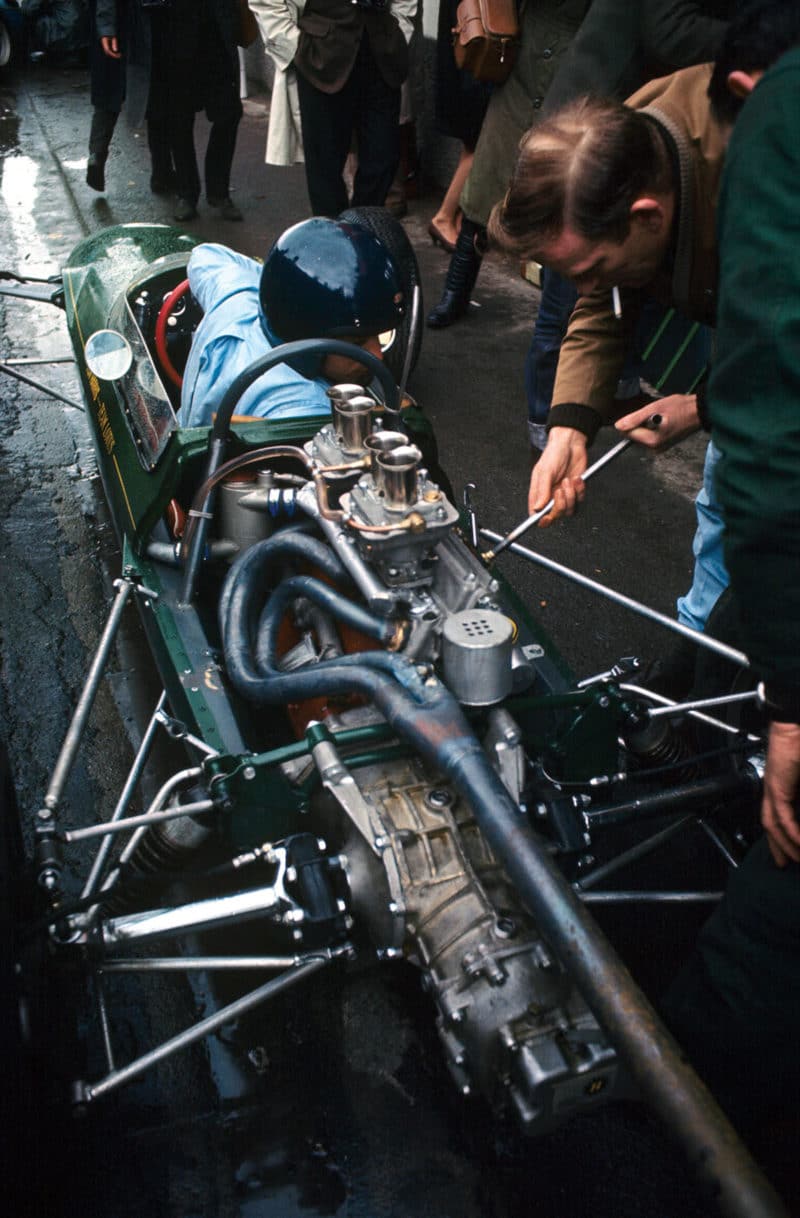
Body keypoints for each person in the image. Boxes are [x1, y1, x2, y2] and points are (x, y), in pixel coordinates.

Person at [426, 0, 591, 329]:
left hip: (575, 69)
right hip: (520, 62)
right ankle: (455, 293)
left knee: (561, 197)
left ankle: (560, 315)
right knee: (484, 184)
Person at [180, 217, 404, 428]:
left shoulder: (235, 301)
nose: (378, 355)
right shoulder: (304, 409)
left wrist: (284, 288)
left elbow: (206, 255)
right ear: (304, 336)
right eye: (358, 342)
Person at [97, 0, 244, 223]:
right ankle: (187, 193)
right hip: (167, 26)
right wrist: (107, 25)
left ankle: (219, 192)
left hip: (214, 23)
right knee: (177, 115)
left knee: (229, 111)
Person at [278, 0, 417, 218]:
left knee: (383, 157)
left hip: (381, 51)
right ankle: (334, 241)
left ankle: (361, 232)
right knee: (325, 167)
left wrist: (400, 29)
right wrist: (293, 46)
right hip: (319, 55)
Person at [88, 0, 173, 195]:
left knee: (109, 92)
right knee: (153, 94)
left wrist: (106, 26)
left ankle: (97, 154)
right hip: (144, 20)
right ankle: (162, 172)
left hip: (117, 22)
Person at [427, 0, 492, 253]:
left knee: (474, 143)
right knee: (480, 143)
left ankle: (455, 218)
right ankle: (445, 216)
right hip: (477, 53)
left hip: (466, 51)